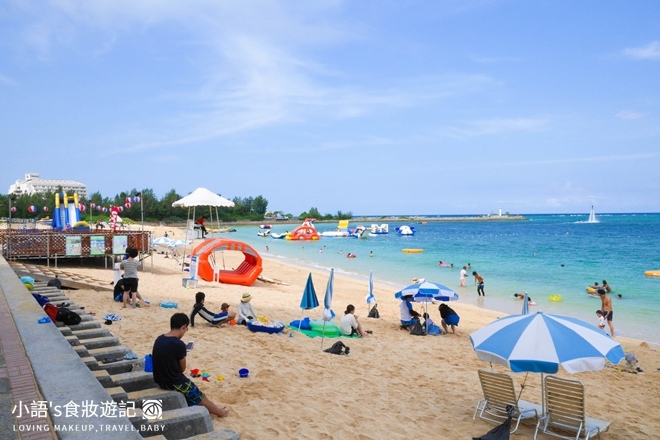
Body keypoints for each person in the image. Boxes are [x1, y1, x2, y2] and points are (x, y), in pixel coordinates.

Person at [152, 313, 229, 418]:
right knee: (200, 396)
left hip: (160, 380)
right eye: (186, 329)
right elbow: (182, 369)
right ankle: (220, 413)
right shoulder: (179, 345)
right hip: (173, 381)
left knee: (194, 394)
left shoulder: (159, 339)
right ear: (183, 327)